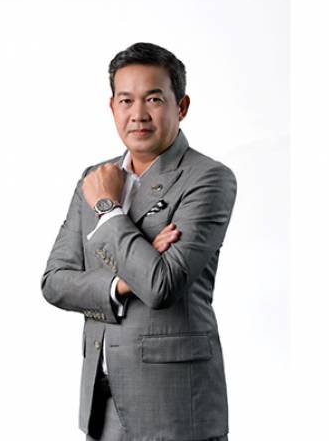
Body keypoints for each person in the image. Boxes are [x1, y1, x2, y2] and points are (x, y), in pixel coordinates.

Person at [41, 42, 237, 441]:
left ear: (181, 106)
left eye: (153, 99)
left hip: (175, 407)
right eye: (126, 100)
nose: (138, 114)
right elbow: (55, 282)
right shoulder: (94, 178)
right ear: (112, 106)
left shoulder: (208, 178)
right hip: (102, 406)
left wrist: (109, 210)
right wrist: (124, 282)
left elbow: (162, 285)